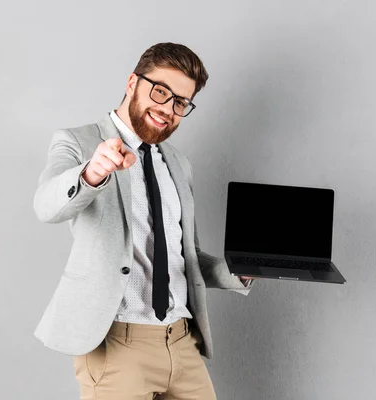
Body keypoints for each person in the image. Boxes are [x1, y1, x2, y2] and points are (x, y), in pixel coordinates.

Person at [33, 42, 256, 400]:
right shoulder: (78, 141)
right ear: (132, 82)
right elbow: (46, 206)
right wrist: (93, 171)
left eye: (180, 103)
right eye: (160, 91)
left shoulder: (179, 164)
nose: (167, 109)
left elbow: (186, 257)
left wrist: (242, 270)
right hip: (117, 344)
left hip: (182, 341)